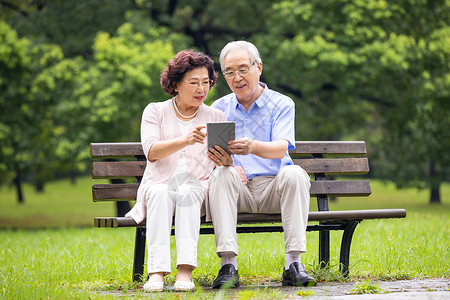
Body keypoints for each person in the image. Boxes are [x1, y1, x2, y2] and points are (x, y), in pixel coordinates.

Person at [207, 41, 317, 288]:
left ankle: (293, 263)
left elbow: (281, 148)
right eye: (229, 72)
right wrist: (226, 163)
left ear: (259, 68)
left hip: (273, 189)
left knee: (295, 173)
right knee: (221, 175)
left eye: (243, 69)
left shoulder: (282, 104)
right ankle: (228, 265)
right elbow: (209, 155)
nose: (237, 77)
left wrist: (252, 147)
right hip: (238, 190)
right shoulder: (218, 108)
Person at [125, 50, 226, 292]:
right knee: (161, 193)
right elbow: (151, 151)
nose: (201, 89)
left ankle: (185, 271)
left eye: (206, 82)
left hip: (197, 186)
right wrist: (185, 139)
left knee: (189, 192)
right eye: (194, 83)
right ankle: (156, 273)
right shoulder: (155, 111)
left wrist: (228, 160)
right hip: (159, 183)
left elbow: (221, 160)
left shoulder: (216, 116)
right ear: (175, 84)